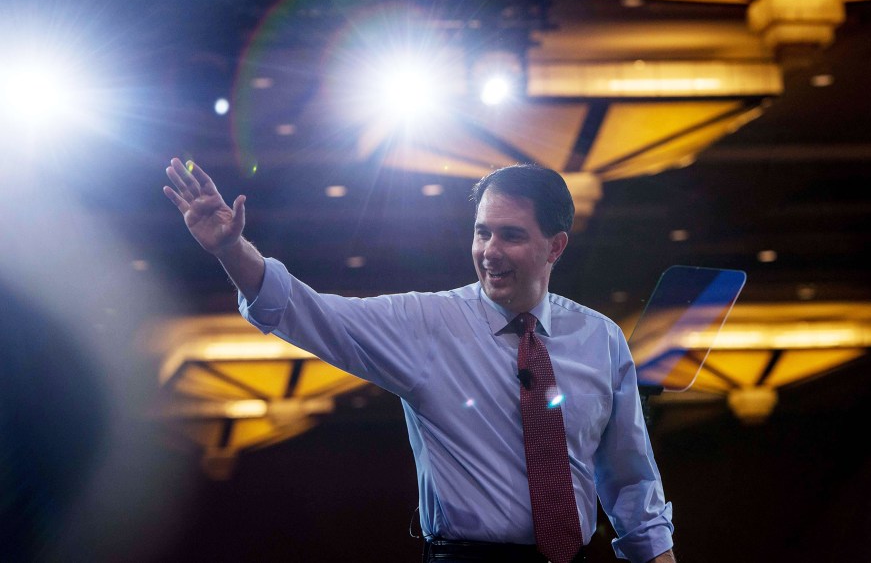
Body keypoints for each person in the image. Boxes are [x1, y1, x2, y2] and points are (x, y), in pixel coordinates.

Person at [163, 157, 676, 563]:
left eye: (511, 235)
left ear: (555, 247)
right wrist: (231, 251)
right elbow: (305, 310)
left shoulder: (601, 339)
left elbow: (631, 479)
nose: (489, 251)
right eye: (482, 232)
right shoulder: (427, 323)